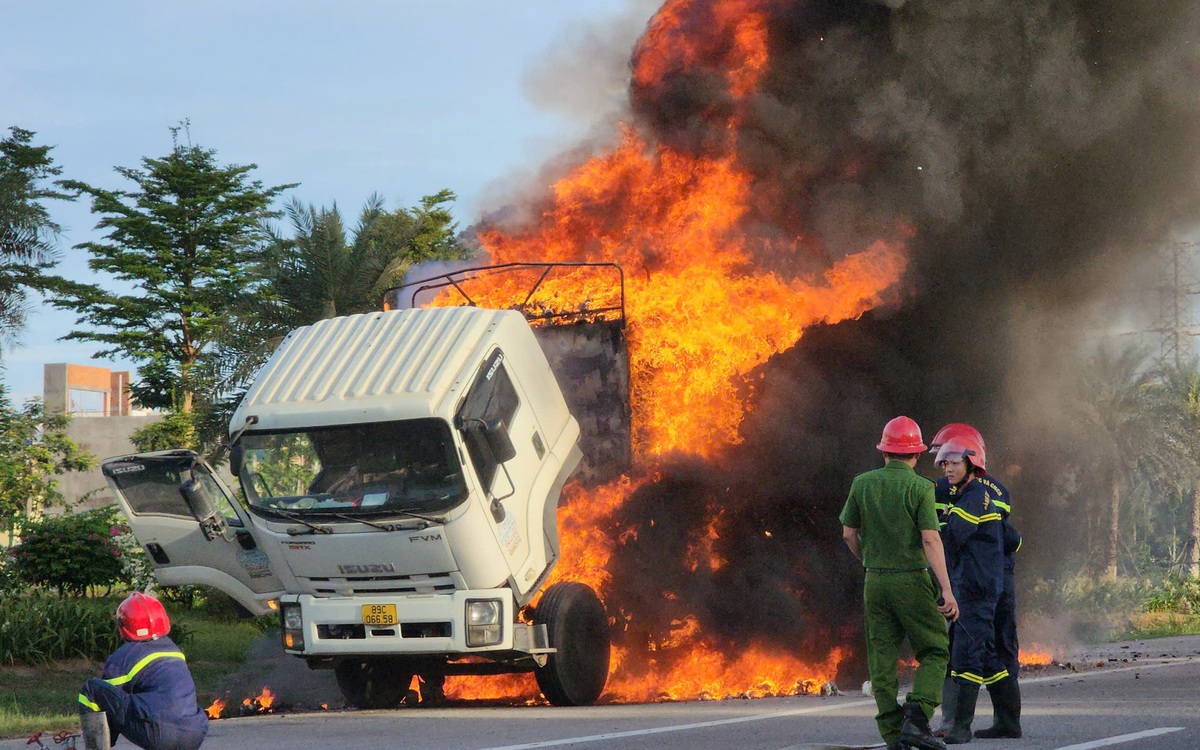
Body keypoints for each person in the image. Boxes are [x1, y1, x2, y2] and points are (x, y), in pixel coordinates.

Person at [840, 416, 959, 750]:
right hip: (911, 581)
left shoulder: (861, 483)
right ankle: (917, 718)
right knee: (935, 649)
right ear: (916, 454)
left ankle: (894, 736)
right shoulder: (921, 488)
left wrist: (867, 558)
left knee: (881, 658)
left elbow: (849, 533)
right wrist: (946, 590)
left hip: (874, 581)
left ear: (884, 452)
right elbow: (931, 541)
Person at [928, 424, 1022, 741]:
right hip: (990, 583)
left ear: (972, 462)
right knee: (991, 653)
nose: (946, 468)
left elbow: (951, 538)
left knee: (966, 653)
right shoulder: (987, 494)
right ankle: (1008, 723)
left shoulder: (973, 495)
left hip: (975, 587)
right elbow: (1013, 539)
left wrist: (925, 538)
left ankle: (959, 727)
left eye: (953, 462)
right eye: (944, 462)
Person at [78, 592, 208, 750]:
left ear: (123, 625)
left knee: (91, 689)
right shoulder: (173, 649)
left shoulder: (126, 655)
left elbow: (109, 702)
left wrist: (107, 740)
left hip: (159, 732)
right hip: (195, 732)